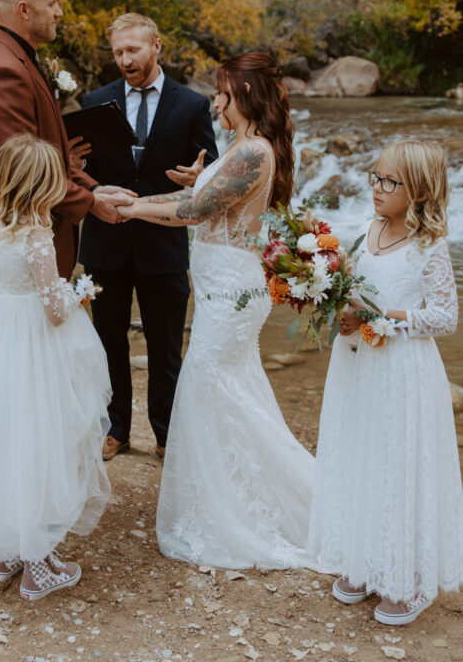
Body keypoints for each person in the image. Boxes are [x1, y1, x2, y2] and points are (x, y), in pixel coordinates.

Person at [117, 52, 318, 569]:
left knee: (208, 387)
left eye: (223, 93)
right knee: (232, 392)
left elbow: (196, 212)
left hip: (231, 294)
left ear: (245, 95)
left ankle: (252, 507)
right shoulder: (241, 148)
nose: (215, 102)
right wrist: (186, 184)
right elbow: (206, 200)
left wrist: (133, 206)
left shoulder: (252, 152)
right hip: (220, 289)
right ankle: (234, 494)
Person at [0, 133, 111, 602]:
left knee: (0, 435)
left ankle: (5, 551)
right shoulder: (36, 234)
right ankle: (38, 565)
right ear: (39, 186)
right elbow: (53, 309)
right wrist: (81, 292)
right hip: (34, 344)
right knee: (41, 438)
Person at [308, 139, 462, 625]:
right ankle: (365, 560)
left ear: (417, 192)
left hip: (403, 372)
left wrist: (385, 316)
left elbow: (445, 318)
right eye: (374, 176)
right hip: (359, 367)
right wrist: (347, 316)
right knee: (363, 457)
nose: (376, 187)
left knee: (400, 463)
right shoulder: (370, 229)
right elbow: (356, 293)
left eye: (389, 181)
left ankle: (409, 579)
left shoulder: (429, 246)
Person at [78, 13, 217, 461]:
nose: (124, 60)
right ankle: (115, 428)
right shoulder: (95, 101)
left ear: (156, 46)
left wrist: (199, 175)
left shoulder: (193, 104)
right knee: (107, 343)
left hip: (164, 244)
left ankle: (166, 434)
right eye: (118, 52)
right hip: (107, 241)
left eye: (132, 50)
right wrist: (89, 187)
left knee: (166, 348)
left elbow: (210, 170)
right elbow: (81, 171)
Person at [0, 0, 133, 279]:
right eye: (52, 3)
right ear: (24, 10)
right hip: (17, 238)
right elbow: (26, 172)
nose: (60, 12)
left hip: (34, 234)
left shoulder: (21, 58)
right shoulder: (1, 72)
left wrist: (95, 188)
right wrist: (91, 202)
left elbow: (52, 153)